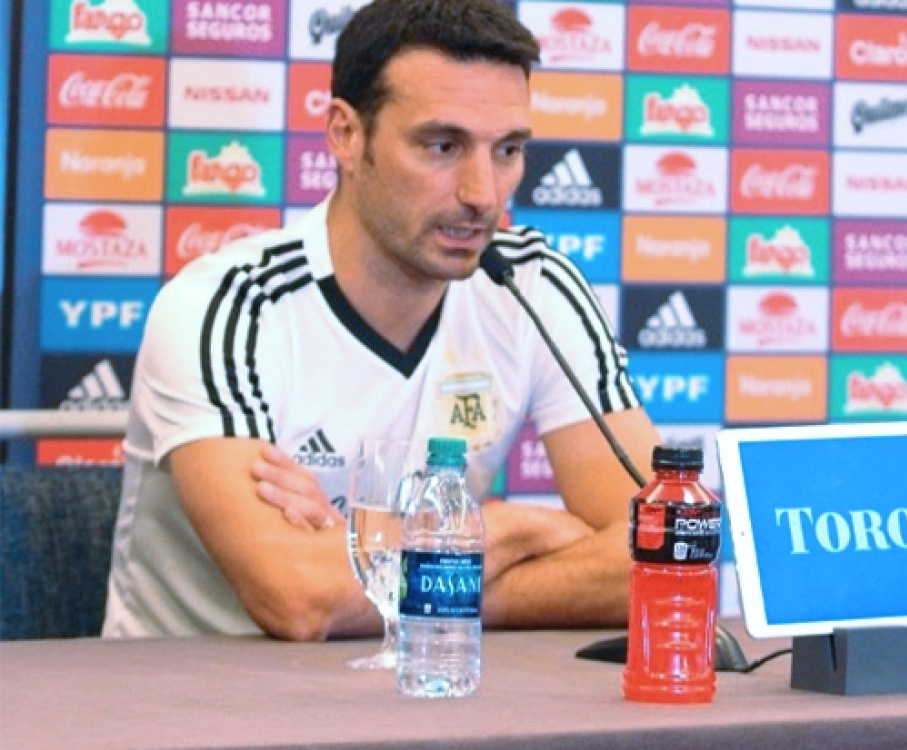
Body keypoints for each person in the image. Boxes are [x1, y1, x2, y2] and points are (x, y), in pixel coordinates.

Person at [102, 0, 660, 640]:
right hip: (188, 693)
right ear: (346, 134)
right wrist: (506, 528)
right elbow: (299, 599)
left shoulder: (533, 284)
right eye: (442, 146)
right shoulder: (228, 305)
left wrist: (400, 573)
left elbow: (663, 554)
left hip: (423, 683)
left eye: (507, 150)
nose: (482, 194)